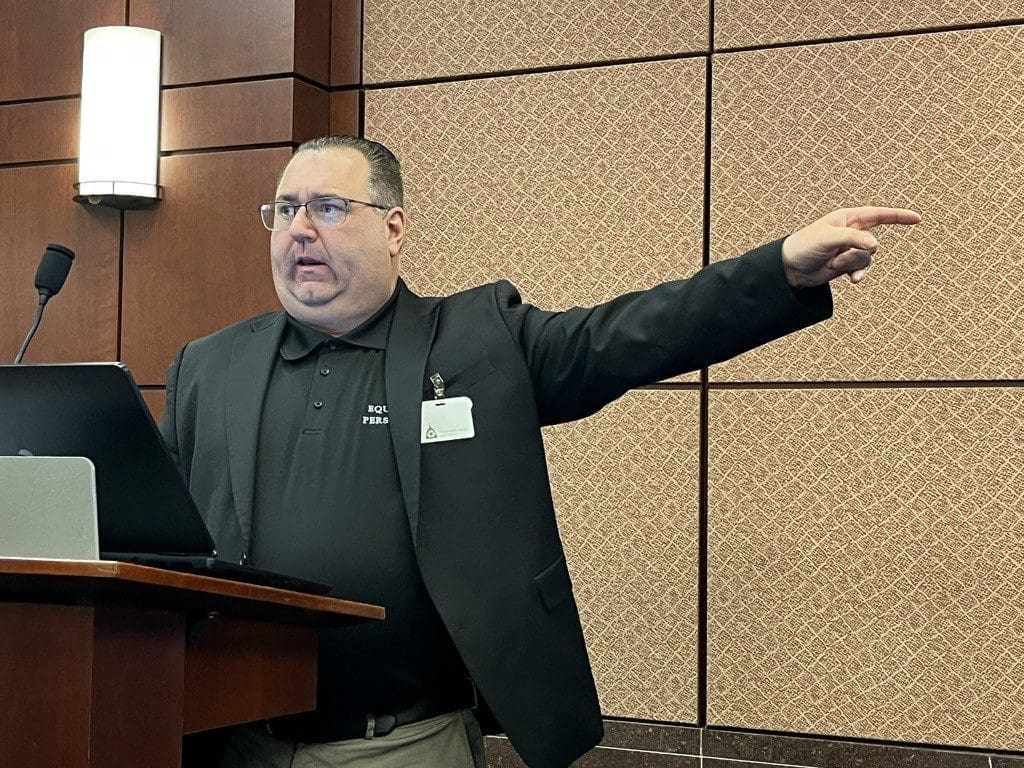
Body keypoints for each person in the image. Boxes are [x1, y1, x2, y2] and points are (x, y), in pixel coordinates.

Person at [163, 135, 921, 768]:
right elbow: (153, 534)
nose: (300, 229)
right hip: (235, 737)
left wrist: (778, 268)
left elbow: (630, 334)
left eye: (328, 208)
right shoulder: (210, 366)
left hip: (405, 743)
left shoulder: (476, 341)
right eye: (285, 209)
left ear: (393, 228)